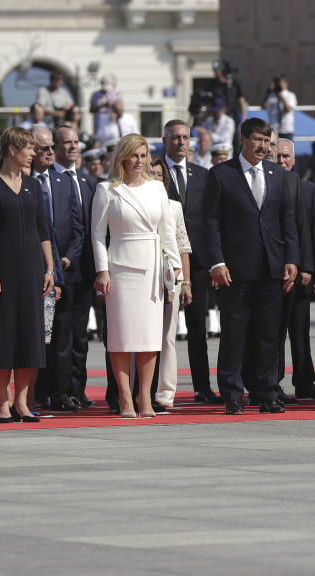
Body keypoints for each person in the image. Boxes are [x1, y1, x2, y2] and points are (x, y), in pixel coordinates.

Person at [204, 118, 300, 415]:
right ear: (243, 140)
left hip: (271, 267)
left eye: (267, 141)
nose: (263, 147)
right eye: (258, 140)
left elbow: (287, 221)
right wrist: (217, 262)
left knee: (268, 335)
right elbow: (210, 223)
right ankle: (233, 393)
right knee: (234, 333)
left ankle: (267, 391)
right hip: (234, 269)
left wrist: (292, 259)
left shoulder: (277, 174)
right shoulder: (222, 174)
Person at [91, 134, 180, 418]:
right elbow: (96, 234)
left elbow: (167, 231)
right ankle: (125, 398)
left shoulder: (157, 189)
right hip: (119, 270)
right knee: (120, 337)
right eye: (134, 155)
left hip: (152, 269)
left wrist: (175, 266)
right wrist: (102, 270)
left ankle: (145, 398)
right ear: (122, 158)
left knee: (149, 337)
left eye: (143, 156)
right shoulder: (107, 190)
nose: (139, 161)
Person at [0, 127, 56, 423]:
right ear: (12, 150)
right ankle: (3, 401)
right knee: (3, 336)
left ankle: (22, 402)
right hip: (2, 271)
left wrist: (50, 268)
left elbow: (43, 230)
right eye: (28, 148)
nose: (32, 153)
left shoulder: (33, 186)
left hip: (32, 270)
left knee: (30, 336)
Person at [161, 119, 221, 404]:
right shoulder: (153, 173)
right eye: (175, 137)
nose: (181, 142)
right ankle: (158, 388)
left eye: (185, 137)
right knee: (162, 328)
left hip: (196, 263)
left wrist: (212, 262)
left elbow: (211, 221)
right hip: (163, 261)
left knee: (197, 328)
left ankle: (202, 387)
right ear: (165, 141)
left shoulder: (202, 175)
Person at [30, 126, 84, 412]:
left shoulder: (63, 182)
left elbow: (78, 229)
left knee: (63, 335)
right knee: (39, 336)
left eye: (52, 147)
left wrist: (65, 261)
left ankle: (62, 392)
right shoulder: (24, 182)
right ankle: (36, 393)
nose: (51, 152)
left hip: (66, 273)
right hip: (34, 273)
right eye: (44, 148)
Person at [274, 138, 315, 400]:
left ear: (294, 159)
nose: (282, 161)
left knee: (300, 331)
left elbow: (313, 232)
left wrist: (312, 270)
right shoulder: (266, 188)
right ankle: (273, 383)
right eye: (278, 156)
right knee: (273, 332)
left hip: (302, 275)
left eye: (286, 156)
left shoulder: (308, 190)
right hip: (272, 272)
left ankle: (306, 382)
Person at [52, 124, 100, 409]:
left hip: (86, 271)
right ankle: (59, 392)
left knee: (81, 336)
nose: (73, 146)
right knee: (62, 334)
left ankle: (77, 389)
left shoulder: (87, 182)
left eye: (76, 141)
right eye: (66, 142)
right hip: (61, 270)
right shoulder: (47, 180)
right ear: (56, 147)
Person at [145, 156, 193, 409]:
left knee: (167, 338)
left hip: (171, 278)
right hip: (143, 277)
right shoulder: (139, 203)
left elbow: (183, 245)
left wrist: (185, 282)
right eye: (149, 174)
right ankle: (139, 392)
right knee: (141, 338)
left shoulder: (174, 206)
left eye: (159, 174)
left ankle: (165, 394)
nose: (154, 178)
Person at [89, 74, 122, 143]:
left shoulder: (116, 94)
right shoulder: (95, 95)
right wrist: (102, 105)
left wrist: (113, 106)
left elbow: (120, 111)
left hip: (111, 126)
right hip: (98, 126)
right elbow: (91, 110)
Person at [264, 75, 297, 140]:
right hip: (274, 129)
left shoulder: (290, 95)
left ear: (286, 84)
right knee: (273, 149)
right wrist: (268, 92)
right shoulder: (271, 96)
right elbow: (264, 106)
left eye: (279, 83)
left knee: (286, 149)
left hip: (286, 129)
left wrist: (281, 97)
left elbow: (289, 109)